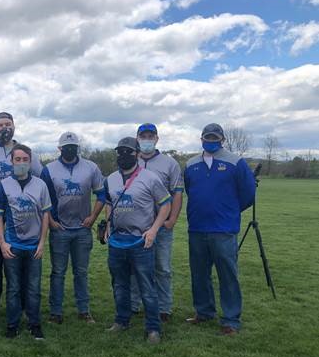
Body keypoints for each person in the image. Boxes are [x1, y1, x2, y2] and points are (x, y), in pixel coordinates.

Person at [184, 123, 256, 335]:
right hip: (197, 228)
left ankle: (231, 320)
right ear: (201, 139)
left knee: (228, 275)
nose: (211, 141)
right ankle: (204, 312)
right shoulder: (190, 164)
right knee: (199, 274)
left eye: (215, 138)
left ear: (222, 139)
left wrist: (230, 210)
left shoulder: (236, 162)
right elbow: (190, 189)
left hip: (224, 229)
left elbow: (248, 194)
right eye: (208, 137)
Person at [104, 137, 171, 344]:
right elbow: (108, 203)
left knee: (147, 287)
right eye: (120, 152)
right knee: (120, 285)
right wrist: (107, 225)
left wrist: (153, 230)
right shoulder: (111, 179)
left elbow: (165, 204)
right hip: (117, 242)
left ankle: (153, 328)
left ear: (137, 154)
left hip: (141, 241)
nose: (124, 156)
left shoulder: (150, 178)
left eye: (129, 152)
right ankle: (121, 320)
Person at [0, 112, 43, 322]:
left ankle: (24, 306)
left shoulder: (24, 152)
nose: (4, 128)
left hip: (23, 216)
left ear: (14, 126)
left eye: (8, 124)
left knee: (23, 263)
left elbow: (40, 180)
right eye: (0, 125)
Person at [40, 131, 105, 324]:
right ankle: (56, 312)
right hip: (60, 228)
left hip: (83, 229)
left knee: (81, 272)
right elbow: (43, 199)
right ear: (59, 148)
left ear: (78, 148)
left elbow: (101, 195)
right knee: (58, 272)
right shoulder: (48, 169)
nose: (70, 149)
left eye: (73, 147)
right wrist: (51, 221)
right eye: (66, 147)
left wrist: (93, 217)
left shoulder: (91, 167)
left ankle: (84, 310)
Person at [0, 144, 51, 340]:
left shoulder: (40, 185)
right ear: (11, 162)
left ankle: (34, 324)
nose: (21, 163)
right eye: (17, 160)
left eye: (24, 160)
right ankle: (12, 324)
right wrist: (2, 243)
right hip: (13, 245)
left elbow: (45, 215)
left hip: (34, 245)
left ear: (30, 161)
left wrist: (42, 242)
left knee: (33, 287)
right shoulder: (2, 185)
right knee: (13, 287)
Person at [130, 123, 184, 322]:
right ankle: (133, 305)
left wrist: (172, 220)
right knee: (134, 268)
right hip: (135, 226)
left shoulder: (170, 164)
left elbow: (177, 193)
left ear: (157, 139)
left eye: (150, 136)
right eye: (143, 136)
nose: (146, 139)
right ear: (137, 138)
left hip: (160, 226)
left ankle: (164, 308)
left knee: (162, 268)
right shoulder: (130, 160)